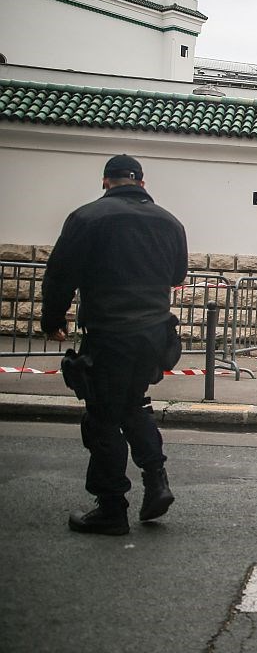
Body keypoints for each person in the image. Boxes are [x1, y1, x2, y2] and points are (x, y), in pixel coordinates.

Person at [41, 155, 188, 535]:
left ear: (106, 181)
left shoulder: (87, 218)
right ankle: (156, 480)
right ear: (141, 182)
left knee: (103, 418)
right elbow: (177, 274)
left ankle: (111, 508)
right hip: (154, 334)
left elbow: (59, 275)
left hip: (109, 333)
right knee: (134, 405)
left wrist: (53, 320)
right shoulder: (170, 222)